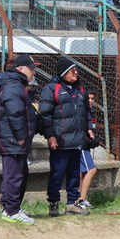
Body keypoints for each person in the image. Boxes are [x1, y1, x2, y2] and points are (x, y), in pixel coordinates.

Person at [38, 58, 94, 217]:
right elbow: (46, 114)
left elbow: (87, 112)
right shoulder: (51, 88)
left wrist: (89, 128)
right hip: (60, 140)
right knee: (57, 172)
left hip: (77, 140)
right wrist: (50, 136)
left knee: (74, 173)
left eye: (76, 70)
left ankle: (72, 203)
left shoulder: (81, 89)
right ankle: (54, 203)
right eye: (72, 70)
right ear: (63, 73)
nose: (76, 73)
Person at [0, 55, 40, 224]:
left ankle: (9, 208)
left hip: (14, 138)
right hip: (13, 139)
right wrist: (21, 136)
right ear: (20, 69)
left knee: (17, 174)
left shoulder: (17, 85)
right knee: (14, 175)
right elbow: (15, 113)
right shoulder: (14, 86)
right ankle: (12, 210)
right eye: (31, 69)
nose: (33, 73)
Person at [78, 91, 100, 209]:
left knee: (82, 172)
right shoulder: (81, 111)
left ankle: (78, 199)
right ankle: (81, 199)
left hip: (85, 144)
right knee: (91, 170)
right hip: (80, 145)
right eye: (88, 98)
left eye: (92, 98)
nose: (91, 101)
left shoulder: (89, 112)